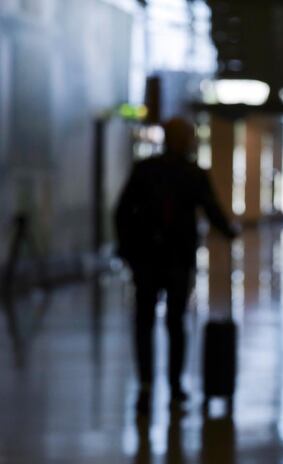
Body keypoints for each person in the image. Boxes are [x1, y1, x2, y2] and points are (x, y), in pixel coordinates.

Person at [115, 117, 237, 415]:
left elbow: (121, 211)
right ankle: (170, 388)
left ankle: (151, 387)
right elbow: (210, 209)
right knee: (173, 324)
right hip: (172, 261)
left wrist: (128, 250)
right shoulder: (191, 173)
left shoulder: (149, 170)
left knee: (149, 322)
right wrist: (229, 231)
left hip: (152, 259)